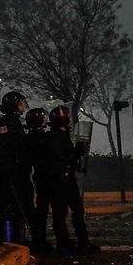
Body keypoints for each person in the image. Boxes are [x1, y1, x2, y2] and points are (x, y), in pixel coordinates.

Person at [42, 105, 96, 252]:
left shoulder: (63, 135)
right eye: (66, 116)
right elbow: (61, 160)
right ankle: (65, 243)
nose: (69, 120)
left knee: (76, 211)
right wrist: (76, 153)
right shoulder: (55, 138)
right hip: (60, 181)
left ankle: (78, 242)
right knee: (62, 213)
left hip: (66, 180)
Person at [0, 91, 33, 244]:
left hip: (19, 172)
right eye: (20, 103)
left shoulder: (14, 121)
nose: (23, 106)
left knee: (18, 207)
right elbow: (7, 150)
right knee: (11, 206)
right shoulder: (6, 123)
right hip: (13, 173)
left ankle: (18, 238)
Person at [26, 107, 53, 253]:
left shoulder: (30, 137)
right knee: (43, 210)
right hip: (45, 175)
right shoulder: (40, 137)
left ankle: (39, 239)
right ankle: (39, 240)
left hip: (39, 175)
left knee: (41, 210)